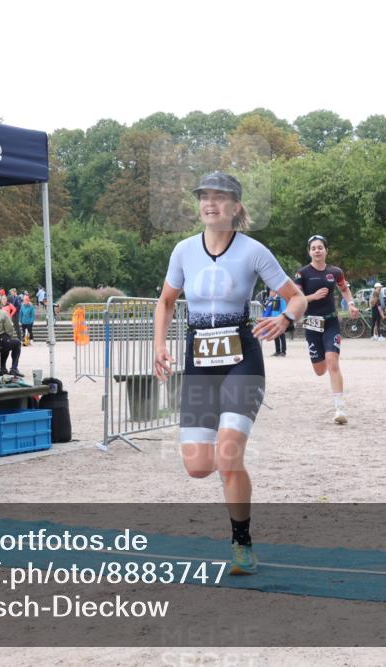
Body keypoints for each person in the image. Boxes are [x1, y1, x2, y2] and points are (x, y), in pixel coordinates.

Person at [153, 172, 305, 576]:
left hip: (242, 359)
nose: (210, 204)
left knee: (228, 455)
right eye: (204, 197)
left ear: (235, 206)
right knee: (199, 465)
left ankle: (242, 543)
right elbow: (166, 301)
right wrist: (159, 345)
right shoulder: (183, 251)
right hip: (200, 360)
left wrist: (286, 319)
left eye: (219, 198)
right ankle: (229, 482)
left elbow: (297, 296)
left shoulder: (254, 251)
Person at [295, 234, 361, 424]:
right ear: (309, 251)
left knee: (333, 362)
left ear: (326, 251)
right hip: (312, 323)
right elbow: (296, 299)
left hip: (331, 322)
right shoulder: (302, 274)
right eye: (313, 248)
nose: (317, 250)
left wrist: (351, 304)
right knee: (319, 369)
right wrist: (313, 296)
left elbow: (344, 289)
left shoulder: (335, 272)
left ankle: (340, 409)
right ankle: (320, 360)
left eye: (320, 247)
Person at [262, 289, 287, 356]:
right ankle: (277, 351)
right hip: (273, 320)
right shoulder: (271, 300)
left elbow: (284, 309)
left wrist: (283, 319)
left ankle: (283, 351)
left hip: (279, 320)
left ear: (275, 292)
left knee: (282, 336)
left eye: (271, 291)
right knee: (275, 336)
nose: (269, 293)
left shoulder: (281, 299)